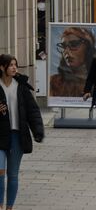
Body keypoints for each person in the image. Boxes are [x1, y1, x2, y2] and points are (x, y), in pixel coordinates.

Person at [0, 54, 45, 209]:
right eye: (11, 65)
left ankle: (9, 207)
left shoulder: (21, 87)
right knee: (0, 172)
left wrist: (38, 130)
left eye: (15, 65)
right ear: (2, 67)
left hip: (17, 135)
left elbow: (33, 111)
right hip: (0, 136)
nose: (14, 68)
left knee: (12, 175)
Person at [50, 27, 96, 97]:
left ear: (88, 47)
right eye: (63, 46)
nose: (66, 52)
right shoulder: (55, 82)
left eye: (74, 44)